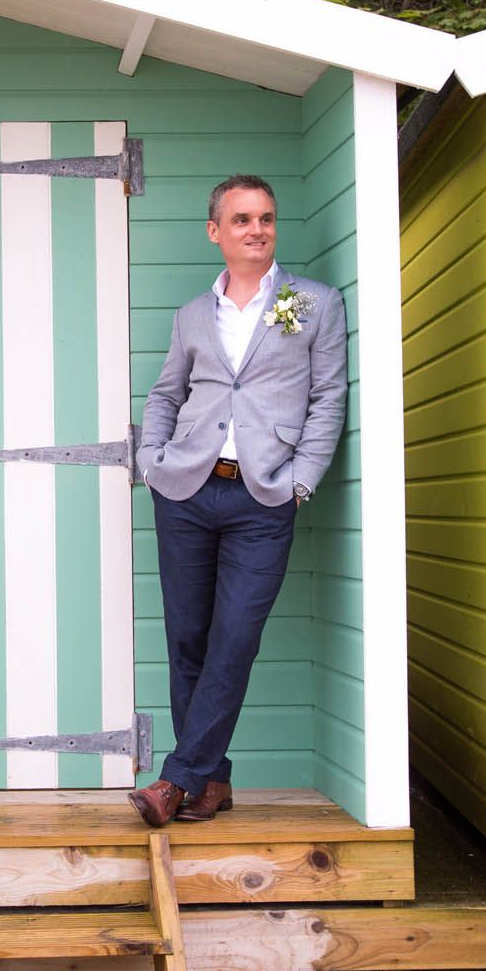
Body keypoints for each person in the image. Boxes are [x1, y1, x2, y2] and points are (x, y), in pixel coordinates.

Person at [128, 174, 347, 827]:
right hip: (186, 490)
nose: (257, 229)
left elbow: (327, 396)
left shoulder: (307, 302)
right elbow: (167, 394)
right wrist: (151, 461)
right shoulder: (195, 315)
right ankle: (211, 785)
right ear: (215, 231)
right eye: (243, 219)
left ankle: (174, 782)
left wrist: (301, 478)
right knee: (188, 639)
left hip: (263, 495)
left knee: (234, 639)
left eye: (266, 218)